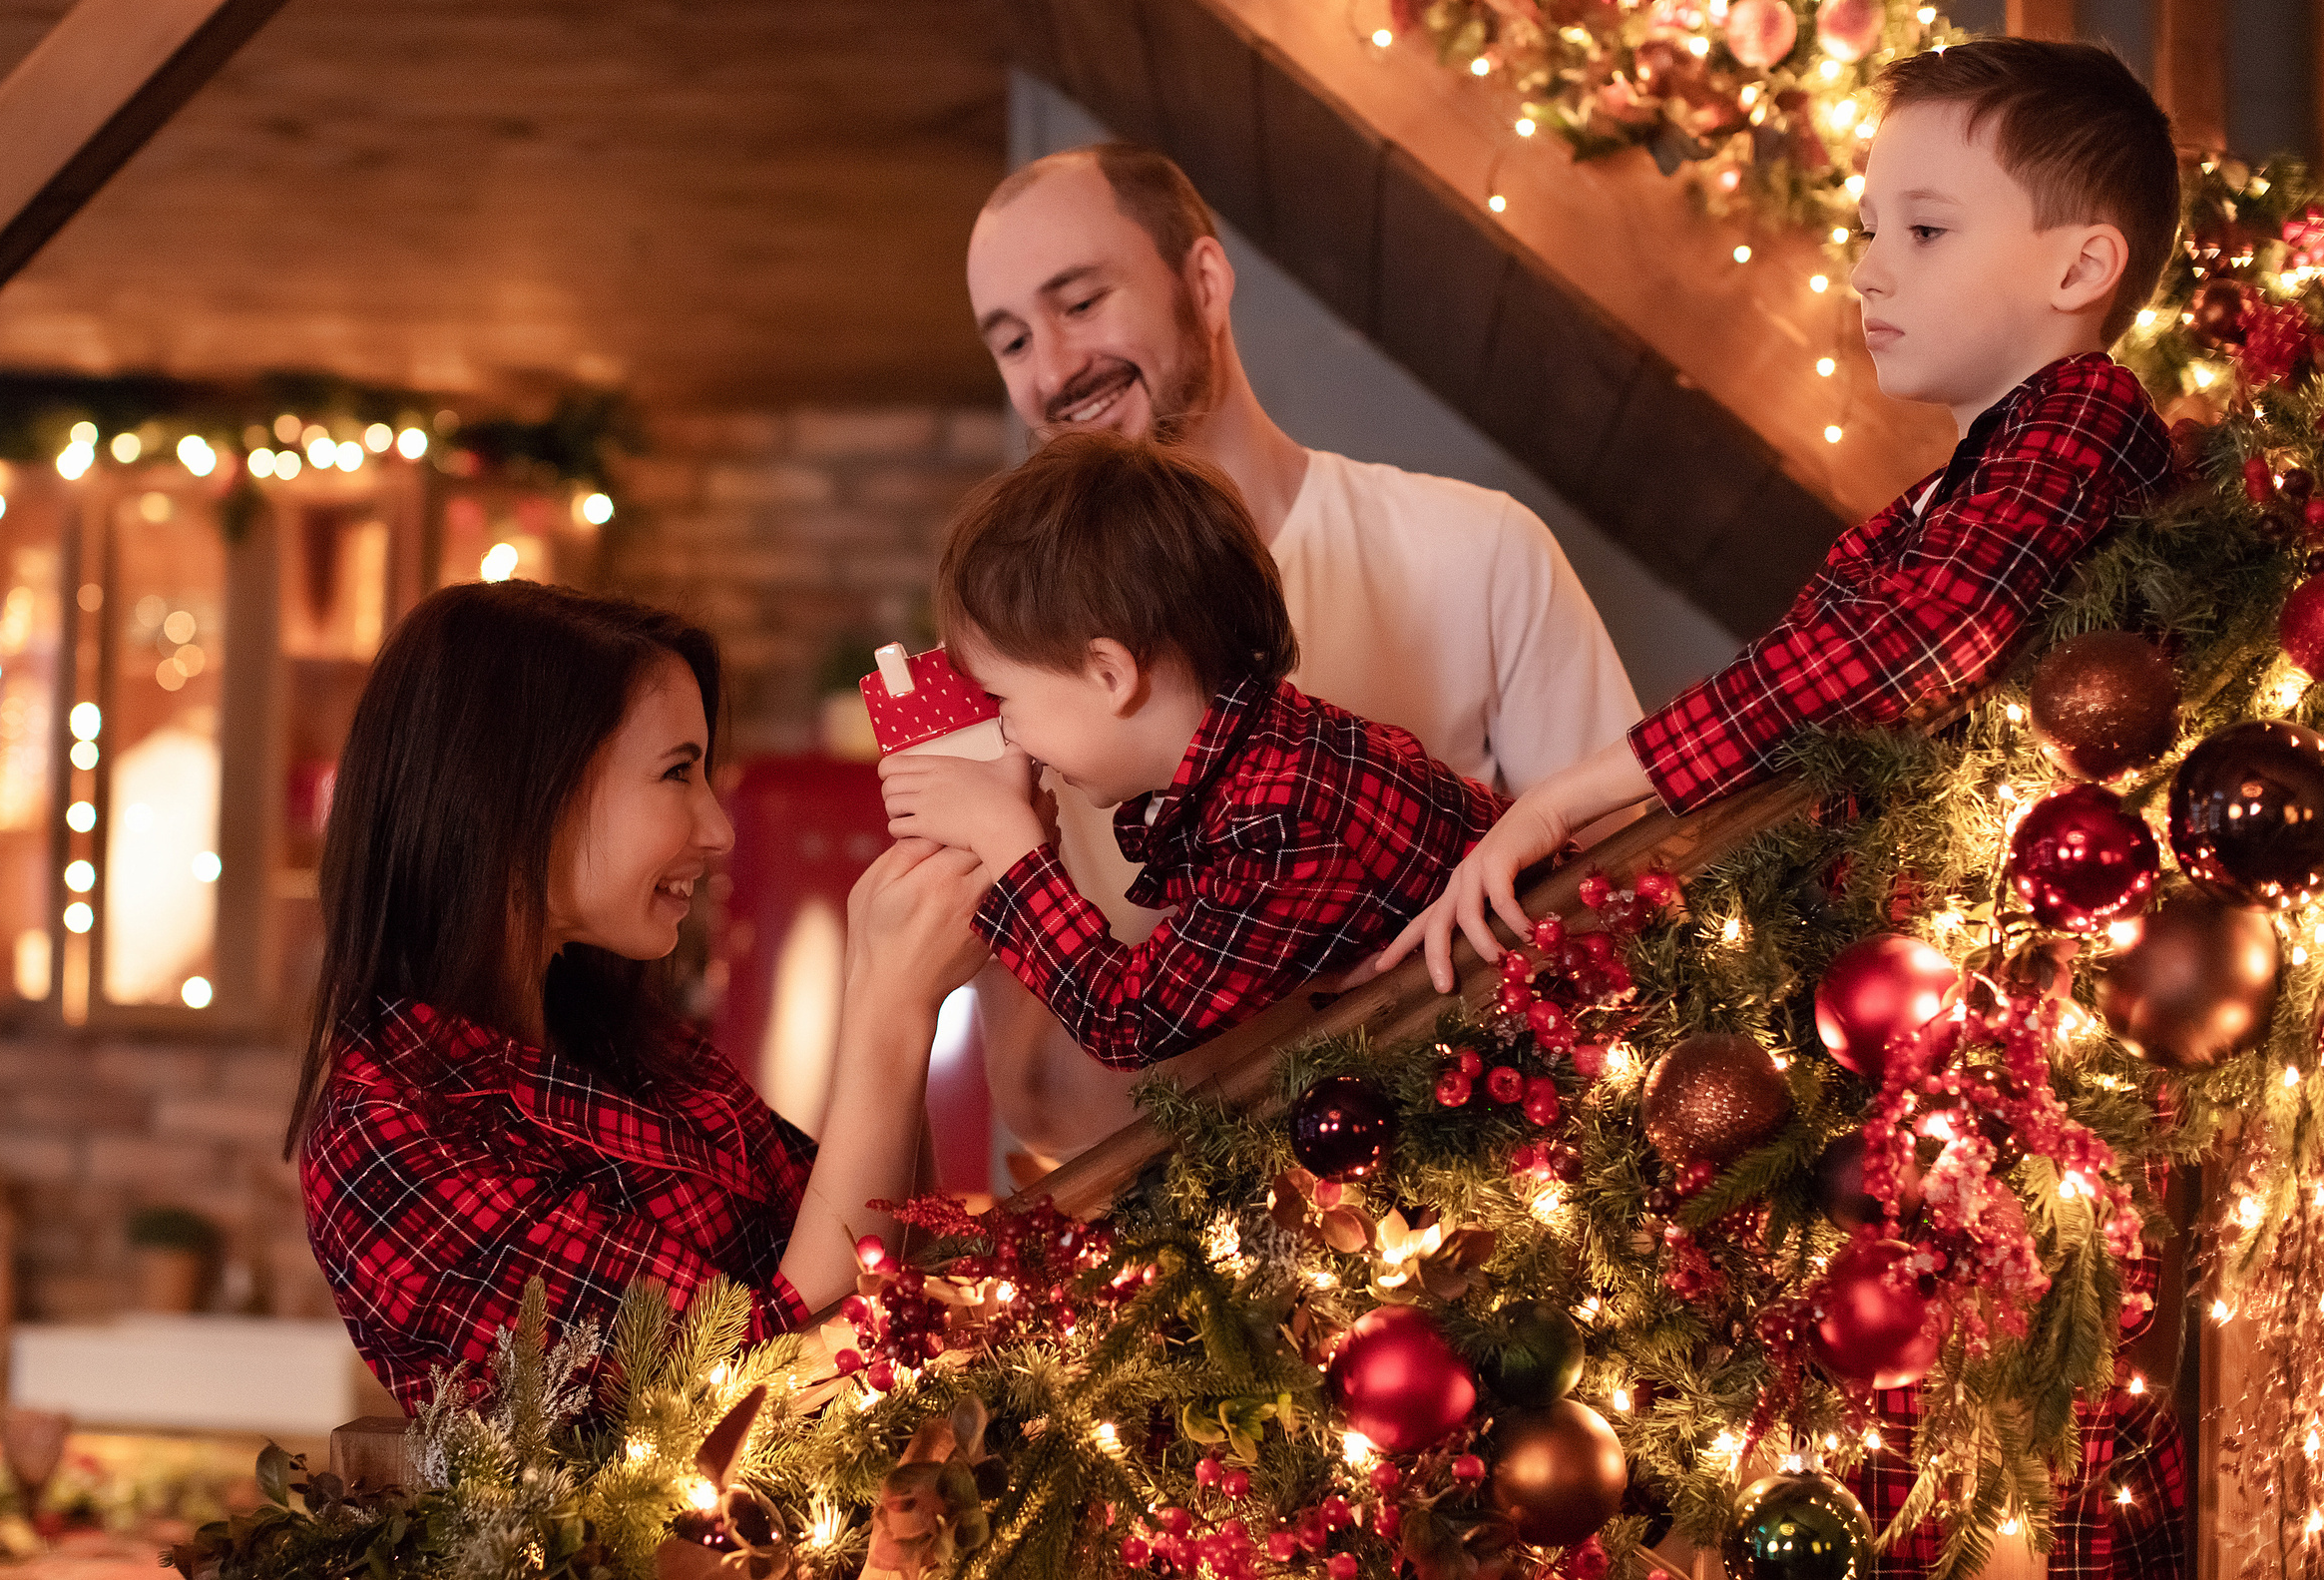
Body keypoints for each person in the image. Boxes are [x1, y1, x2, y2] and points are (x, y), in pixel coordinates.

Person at [1384, 35, 2183, 990]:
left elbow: (1919, 639)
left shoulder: (2089, 412)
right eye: (1869, 230)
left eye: (1926, 231)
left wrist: (1565, 797)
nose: (1868, 272)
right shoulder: (1940, 499)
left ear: (2081, 269)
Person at [965, 143, 1638, 1146]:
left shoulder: (1480, 550)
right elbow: (1036, 1107)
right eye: (1013, 341)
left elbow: (1622, 912)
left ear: (1204, 280)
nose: (1054, 369)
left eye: (1082, 302)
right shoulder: (1016, 682)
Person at [289, 583, 992, 1406]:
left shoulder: (627, 1050)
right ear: (518, 791)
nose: (717, 829)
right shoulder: (390, 1138)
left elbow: (892, 1250)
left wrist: (914, 978)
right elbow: (764, 1388)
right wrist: (888, 1009)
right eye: (676, 773)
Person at [877, 432, 1504, 1069]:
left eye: (1002, 699)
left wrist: (1002, 837)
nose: (1009, 736)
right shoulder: (1271, 747)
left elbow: (1126, 1020)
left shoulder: (1279, 818)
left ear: (1110, 675)